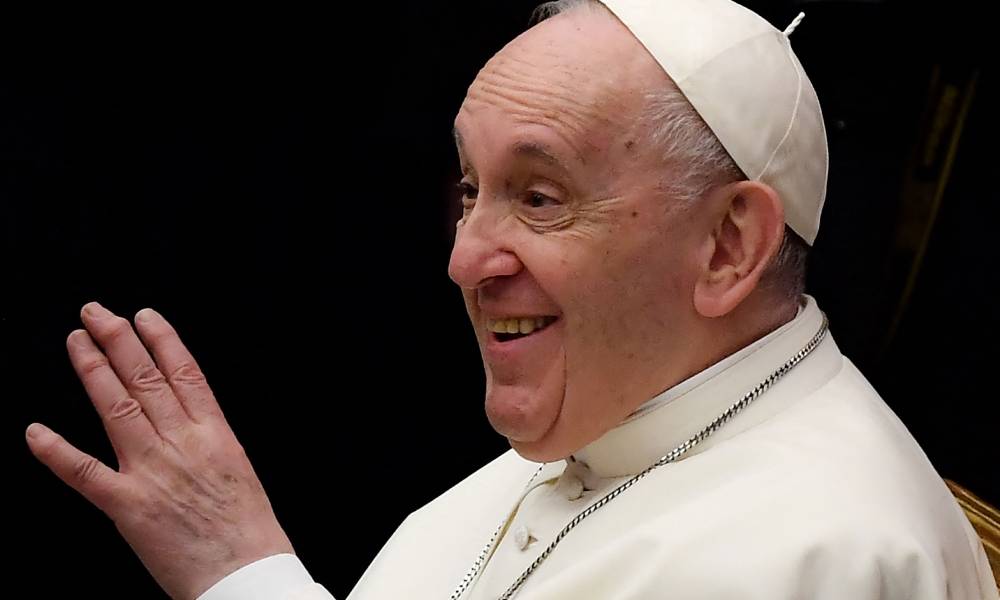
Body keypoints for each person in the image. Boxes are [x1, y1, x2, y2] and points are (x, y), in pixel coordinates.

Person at [26, 0, 998, 598]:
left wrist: (243, 575)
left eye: (540, 196)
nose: (465, 258)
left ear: (727, 244)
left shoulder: (808, 559)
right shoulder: (624, 419)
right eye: (468, 192)